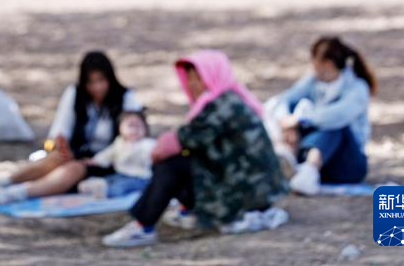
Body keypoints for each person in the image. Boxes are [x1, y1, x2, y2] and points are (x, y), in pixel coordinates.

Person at [102, 49, 286, 248]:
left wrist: (163, 151)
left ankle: (142, 225)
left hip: (246, 198)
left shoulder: (221, 106)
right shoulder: (230, 100)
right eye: (189, 78)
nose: (192, 84)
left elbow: (178, 142)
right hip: (252, 192)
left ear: (214, 76)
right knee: (181, 161)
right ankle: (182, 211)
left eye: (198, 78)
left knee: (169, 166)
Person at [0, 51, 142, 204]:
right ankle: (1, 183)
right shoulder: (75, 94)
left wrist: (99, 159)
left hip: (110, 160)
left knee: (74, 168)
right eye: (91, 82)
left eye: (101, 80)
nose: (97, 87)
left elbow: (135, 135)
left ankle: (16, 194)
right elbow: (57, 134)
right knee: (55, 159)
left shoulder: (125, 98)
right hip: (78, 153)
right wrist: (58, 146)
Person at [266, 35, 376, 196]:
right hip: (317, 154)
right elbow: (282, 100)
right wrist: (287, 122)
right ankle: (288, 157)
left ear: (327, 64)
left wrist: (300, 120)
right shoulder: (313, 81)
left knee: (333, 125)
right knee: (292, 107)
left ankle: (310, 169)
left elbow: (338, 115)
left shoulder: (357, 88)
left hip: (347, 164)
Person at [79, 110, 156, 199]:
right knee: (109, 179)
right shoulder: (119, 142)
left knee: (121, 186)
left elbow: (154, 154)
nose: (134, 130)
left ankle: (107, 192)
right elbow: (108, 154)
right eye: (130, 126)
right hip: (121, 174)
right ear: (121, 128)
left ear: (145, 129)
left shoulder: (147, 144)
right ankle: (96, 186)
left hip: (139, 178)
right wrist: (95, 160)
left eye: (138, 126)